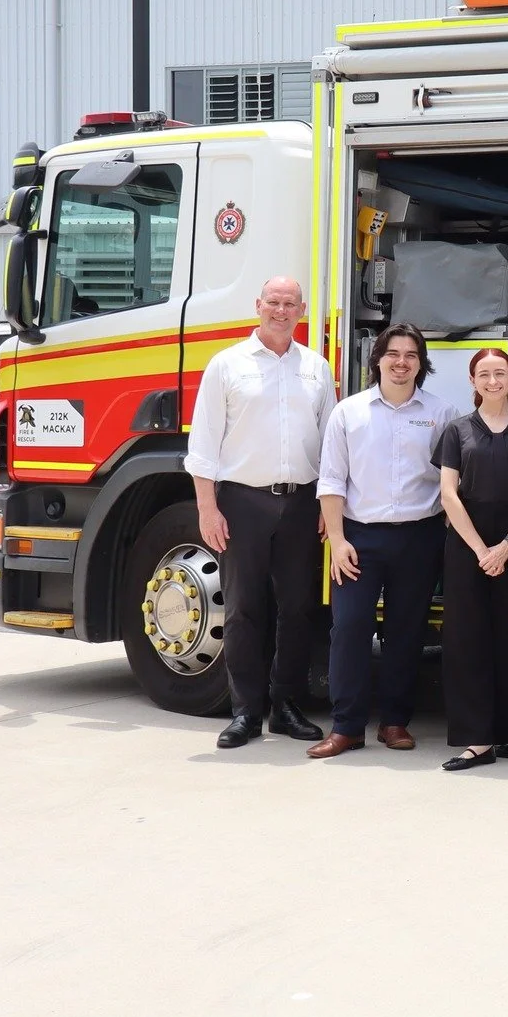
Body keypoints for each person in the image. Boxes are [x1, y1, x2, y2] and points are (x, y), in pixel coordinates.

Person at [185, 276, 337, 749]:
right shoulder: (227, 364)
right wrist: (207, 509)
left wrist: (327, 505)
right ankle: (245, 711)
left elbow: (331, 443)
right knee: (243, 609)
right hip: (242, 502)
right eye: (274, 302)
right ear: (258, 305)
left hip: (301, 501)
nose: (281, 310)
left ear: (301, 311)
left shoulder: (315, 368)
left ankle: (285, 706)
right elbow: (203, 444)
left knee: (298, 608)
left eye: (290, 304)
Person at [309, 322, 455, 758]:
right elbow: (331, 481)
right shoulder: (348, 412)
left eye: (411, 355)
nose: (401, 362)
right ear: (377, 359)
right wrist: (337, 540)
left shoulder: (441, 413)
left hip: (420, 537)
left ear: (421, 364)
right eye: (393, 354)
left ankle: (394, 722)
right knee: (349, 628)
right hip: (359, 540)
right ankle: (346, 727)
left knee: (406, 632)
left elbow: (452, 481)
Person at [435, 349, 508, 771]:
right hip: (466, 549)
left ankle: (496, 734)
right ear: (472, 381)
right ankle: (475, 739)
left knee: (501, 640)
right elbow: (448, 495)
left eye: (499, 373)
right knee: (466, 642)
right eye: (483, 374)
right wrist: (481, 550)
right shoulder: (457, 430)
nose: (492, 381)